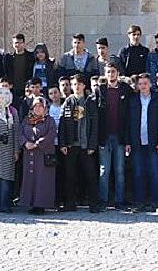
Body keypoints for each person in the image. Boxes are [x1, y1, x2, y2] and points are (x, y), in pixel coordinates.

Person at [57, 74, 99, 213]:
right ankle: (70, 204)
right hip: (71, 144)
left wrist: (92, 145)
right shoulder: (69, 101)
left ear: (84, 85)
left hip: (86, 145)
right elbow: (62, 123)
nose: (77, 86)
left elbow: (94, 124)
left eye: (79, 84)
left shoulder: (90, 101)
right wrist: (63, 143)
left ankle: (94, 204)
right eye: (74, 84)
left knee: (91, 175)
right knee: (70, 176)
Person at [125, 74, 158, 213]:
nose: (143, 86)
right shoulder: (133, 100)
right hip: (137, 142)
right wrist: (128, 142)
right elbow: (128, 122)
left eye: (145, 83)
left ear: (150, 84)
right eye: (140, 83)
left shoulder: (157, 99)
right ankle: (139, 203)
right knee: (138, 173)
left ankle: (157, 203)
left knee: (155, 173)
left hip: (153, 142)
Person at [94, 63, 132, 211]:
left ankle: (119, 200)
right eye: (108, 72)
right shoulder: (100, 90)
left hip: (120, 135)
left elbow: (128, 116)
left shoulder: (125, 90)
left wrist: (128, 140)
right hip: (104, 135)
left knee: (120, 169)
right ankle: (103, 200)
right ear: (105, 73)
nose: (111, 74)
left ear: (118, 73)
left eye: (113, 72)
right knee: (104, 170)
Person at [19, 98, 57, 214]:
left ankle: (41, 205)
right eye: (35, 106)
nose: (38, 108)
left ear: (45, 108)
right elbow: (20, 132)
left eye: (40, 106)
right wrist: (25, 143)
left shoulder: (49, 120)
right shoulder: (27, 120)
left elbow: (51, 134)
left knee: (42, 179)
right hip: (29, 154)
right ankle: (30, 203)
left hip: (43, 154)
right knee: (30, 179)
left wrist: (36, 144)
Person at [5, 33, 35, 99]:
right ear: (13, 44)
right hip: (12, 89)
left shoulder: (31, 56)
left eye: (20, 43)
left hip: (27, 89)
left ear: (24, 43)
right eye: (16, 43)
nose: (18, 45)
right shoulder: (8, 57)